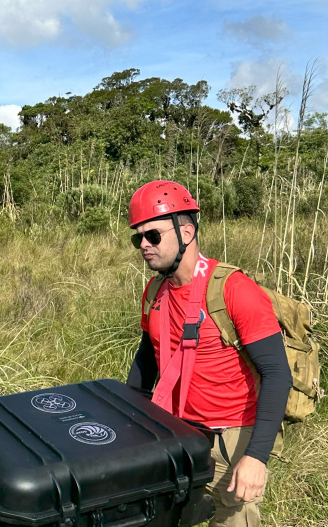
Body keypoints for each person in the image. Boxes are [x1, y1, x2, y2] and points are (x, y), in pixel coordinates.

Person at [125, 180, 292, 527]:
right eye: (137, 238)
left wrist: (255, 458)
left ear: (186, 231)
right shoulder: (155, 291)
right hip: (174, 429)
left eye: (152, 236)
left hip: (230, 437)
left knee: (232, 517)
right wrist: (129, 422)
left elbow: (278, 374)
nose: (143, 245)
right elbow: (147, 358)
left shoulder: (234, 290)